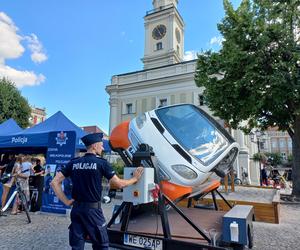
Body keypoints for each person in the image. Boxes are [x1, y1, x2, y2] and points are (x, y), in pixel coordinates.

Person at [51, 133, 144, 250]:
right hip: (93, 211)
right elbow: (118, 183)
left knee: (77, 246)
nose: (103, 148)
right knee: (102, 244)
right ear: (94, 146)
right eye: (101, 145)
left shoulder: (73, 162)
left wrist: (66, 201)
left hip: (76, 210)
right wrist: (134, 179)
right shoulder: (101, 163)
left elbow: (54, 182)